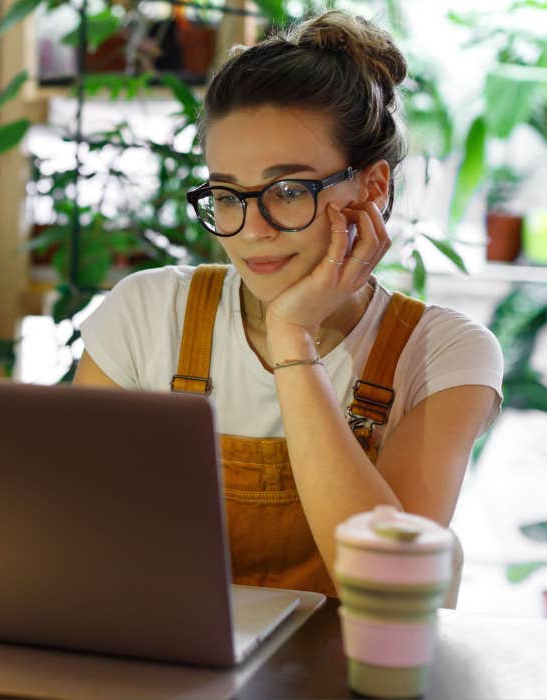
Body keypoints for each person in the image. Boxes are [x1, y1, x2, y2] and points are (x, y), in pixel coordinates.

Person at [73, 10, 503, 597]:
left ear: (371, 188)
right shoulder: (148, 312)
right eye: (227, 195)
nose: (251, 229)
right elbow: (77, 537)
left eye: (289, 190)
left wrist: (292, 338)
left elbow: (391, 584)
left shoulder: (443, 354)